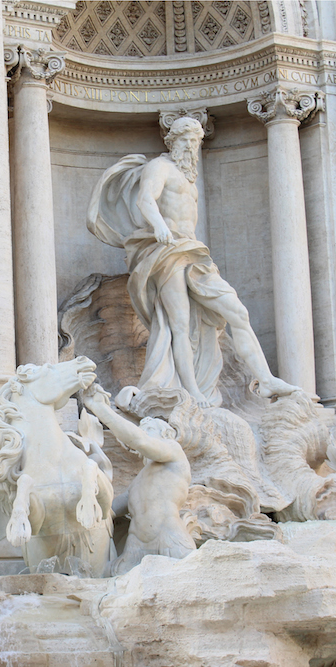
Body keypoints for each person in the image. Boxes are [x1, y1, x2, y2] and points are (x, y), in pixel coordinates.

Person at [87, 117, 297, 407]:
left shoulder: (189, 179)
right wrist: (159, 226)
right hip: (166, 252)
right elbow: (145, 199)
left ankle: (266, 379)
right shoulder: (159, 167)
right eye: (185, 140)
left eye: (195, 142)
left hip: (194, 253)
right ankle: (191, 392)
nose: (190, 147)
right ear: (172, 142)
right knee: (179, 326)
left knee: (237, 312)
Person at [80, 383, 194, 574]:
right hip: (136, 544)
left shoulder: (174, 453)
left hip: (168, 536)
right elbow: (109, 511)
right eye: (142, 430)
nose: (143, 433)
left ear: (165, 434)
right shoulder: (138, 482)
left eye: (147, 429)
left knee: (186, 580)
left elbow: (140, 441)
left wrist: (99, 408)